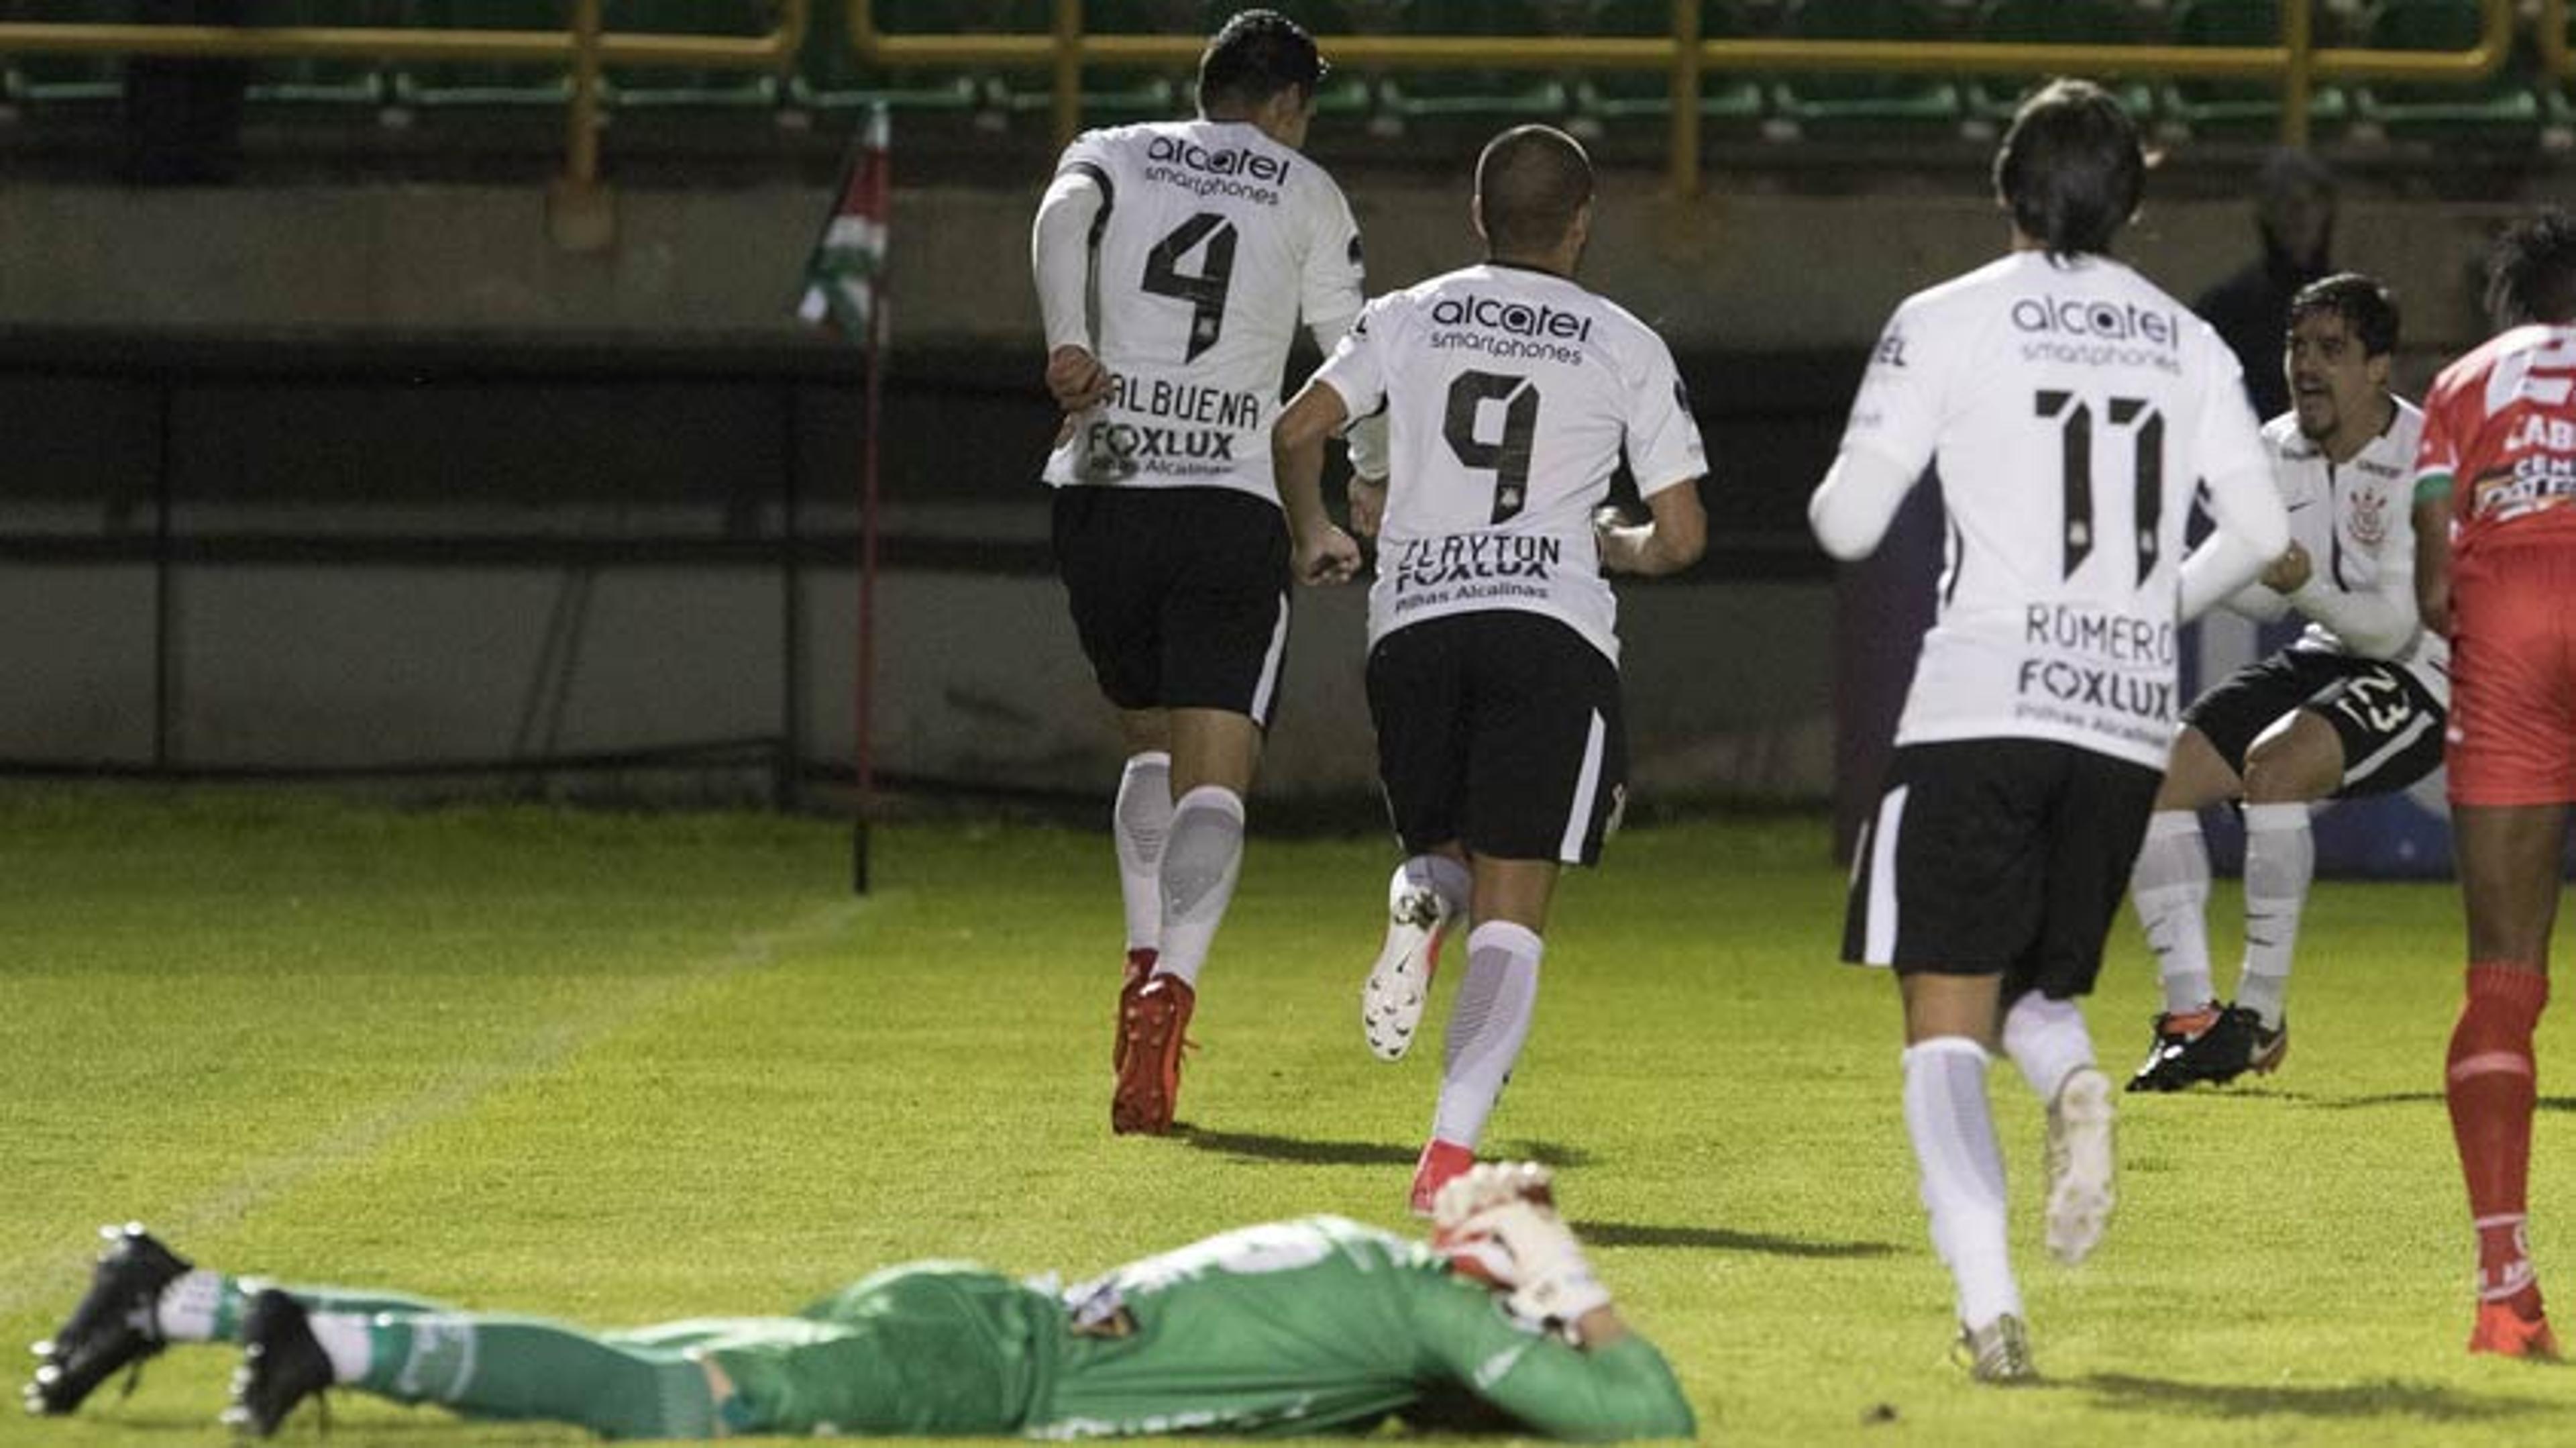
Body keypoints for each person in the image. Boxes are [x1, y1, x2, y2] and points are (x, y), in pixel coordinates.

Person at [1809, 79, 2290, 1382]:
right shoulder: (2187, 339)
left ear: (2007, 188)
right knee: (2036, 987)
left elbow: (1849, 522)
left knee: (1943, 1014)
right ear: (2134, 199)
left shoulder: (1946, 317)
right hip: (2123, 722)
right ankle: (2074, 1079)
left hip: (1981, 701)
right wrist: (2143, 606)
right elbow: (2259, 535)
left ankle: (1990, 1308)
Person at [1270, 124, 1709, 1215]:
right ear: (1582, 222)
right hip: (1546, 628)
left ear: (1479, 219)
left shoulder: (1409, 314)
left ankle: (1421, 893)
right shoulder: (1624, 340)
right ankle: (1449, 1158)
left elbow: (1295, 427)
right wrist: (1617, 543)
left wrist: (1320, 526)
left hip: (1414, 625)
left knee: (1449, 855)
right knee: (1515, 909)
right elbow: (1685, 535)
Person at [21, 1166, 1695, 1441]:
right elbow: (1649, 1417)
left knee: (638, 1365)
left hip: (974, 1313)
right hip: (983, 1363)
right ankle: (330, 1340)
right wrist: (1556, 1268)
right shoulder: (1423, 1310)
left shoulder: (1355, 1258)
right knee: (662, 1404)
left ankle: (183, 1300)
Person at [1028, 9, 1377, 1135]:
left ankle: (1136, 959)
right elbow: (1350, 354)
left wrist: (1067, 338)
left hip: (1105, 477)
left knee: (1145, 743)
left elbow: (1059, 213)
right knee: (1215, 774)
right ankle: (1165, 998)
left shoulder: (1117, 148)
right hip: (1226, 497)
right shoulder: (1306, 189)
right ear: (1283, 106)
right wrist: (1362, 482)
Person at [2128, 272, 2445, 1092]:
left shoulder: (2421, 454)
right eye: (2298, 346)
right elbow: (2262, 589)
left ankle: (2260, 1015)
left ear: (2379, 367)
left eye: (2331, 349)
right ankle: (2191, 1016)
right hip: (2326, 646)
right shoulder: (2275, 448)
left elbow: (2389, 627)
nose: (2306, 365)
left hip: (2422, 671)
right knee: (2151, 779)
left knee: (2276, 765)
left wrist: (2298, 581)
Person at [2410, 209, 2576, 1359]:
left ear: (2508, 305)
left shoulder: (2461, 385)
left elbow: (2430, 592)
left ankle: (2504, 1291)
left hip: (2510, 614)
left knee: (2505, 974)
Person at [2195, 148, 2338, 421]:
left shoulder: (2355, 305)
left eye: (2312, 203)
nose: (2301, 217)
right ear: (2267, 214)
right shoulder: (2229, 308)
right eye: (2287, 204)